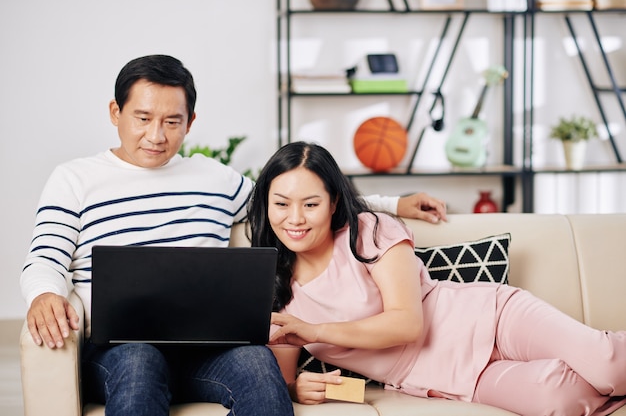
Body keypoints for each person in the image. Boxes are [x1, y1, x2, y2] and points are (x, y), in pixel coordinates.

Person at [20, 55, 446, 416]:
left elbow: (291, 199)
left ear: (191, 121)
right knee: (138, 361)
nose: (157, 135)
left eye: (173, 121)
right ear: (116, 112)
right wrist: (43, 293)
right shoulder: (74, 179)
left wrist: (392, 203)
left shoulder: (213, 177)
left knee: (258, 365)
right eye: (143, 118)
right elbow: (45, 257)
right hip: (118, 348)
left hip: (207, 345)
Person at [247, 141, 626, 416]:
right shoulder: (273, 286)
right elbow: (282, 377)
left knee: (609, 366)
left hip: (490, 319)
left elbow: (406, 324)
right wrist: (300, 388)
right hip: (450, 378)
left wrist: (314, 331)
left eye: (310, 204)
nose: (294, 218)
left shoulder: (369, 231)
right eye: (281, 204)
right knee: (559, 401)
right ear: (266, 205)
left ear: (332, 203)